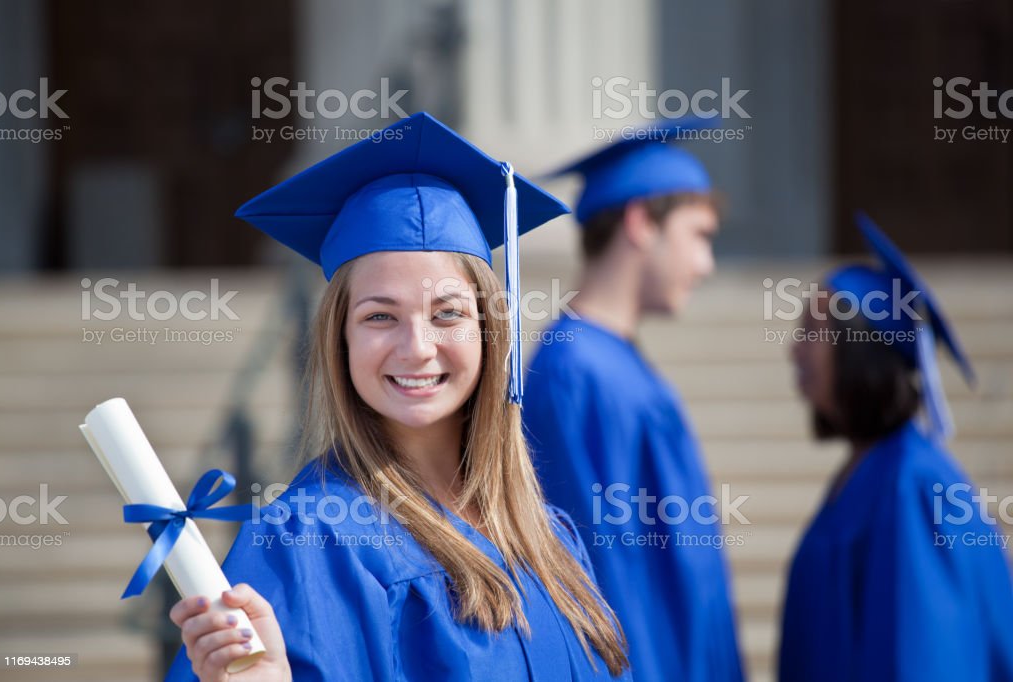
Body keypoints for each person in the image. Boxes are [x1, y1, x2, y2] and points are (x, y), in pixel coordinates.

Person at [164, 112, 631, 681]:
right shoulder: (306, 542)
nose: (417, 348)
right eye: (380, 316)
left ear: (489, 330)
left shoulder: (548, 534)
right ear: (340, 338)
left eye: (448, 314)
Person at [522, 120, 744, 682]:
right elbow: (607, 574)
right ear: (641, 222)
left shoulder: (610, 362)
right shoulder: (577, 373)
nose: (705, 264)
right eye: (699, 236)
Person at [779, 213, 1013, 681]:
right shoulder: (870, 472)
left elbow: (929, 661)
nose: (794, 348)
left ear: (857, 348)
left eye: (811, 331)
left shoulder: (915, 487)